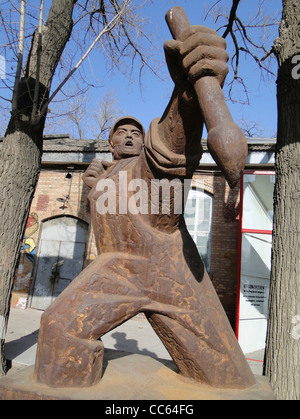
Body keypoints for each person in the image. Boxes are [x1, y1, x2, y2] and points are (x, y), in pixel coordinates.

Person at [33, 25, 255, 389]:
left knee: (228, 378)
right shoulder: (103, 178)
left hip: (172, 276)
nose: (131, 135)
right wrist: (96, 189)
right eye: (122, 132)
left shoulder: (142, 167)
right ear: (110, 142)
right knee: (59, 329)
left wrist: (185, 95)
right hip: (118, 270)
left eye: (137, 131)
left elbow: (168, 155)